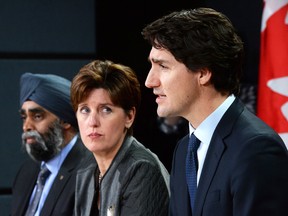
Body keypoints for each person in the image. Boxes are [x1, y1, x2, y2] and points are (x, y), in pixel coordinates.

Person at [142, 7, 288, 216]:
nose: (149, 81)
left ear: (203, 73)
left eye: (163, 66)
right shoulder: (184, 149)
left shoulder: (256, 148)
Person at [70, 59, 170, 216]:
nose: (92, 122)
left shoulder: (142, 170)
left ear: (129, 116)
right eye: (85, 110)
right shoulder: (87, 169)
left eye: (106, 110)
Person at [11, 72, 93, 216]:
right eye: (24, 118)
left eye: (37, 116)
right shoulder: (26, 172)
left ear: (65, 121)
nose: (26, 127)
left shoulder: (89, 173)